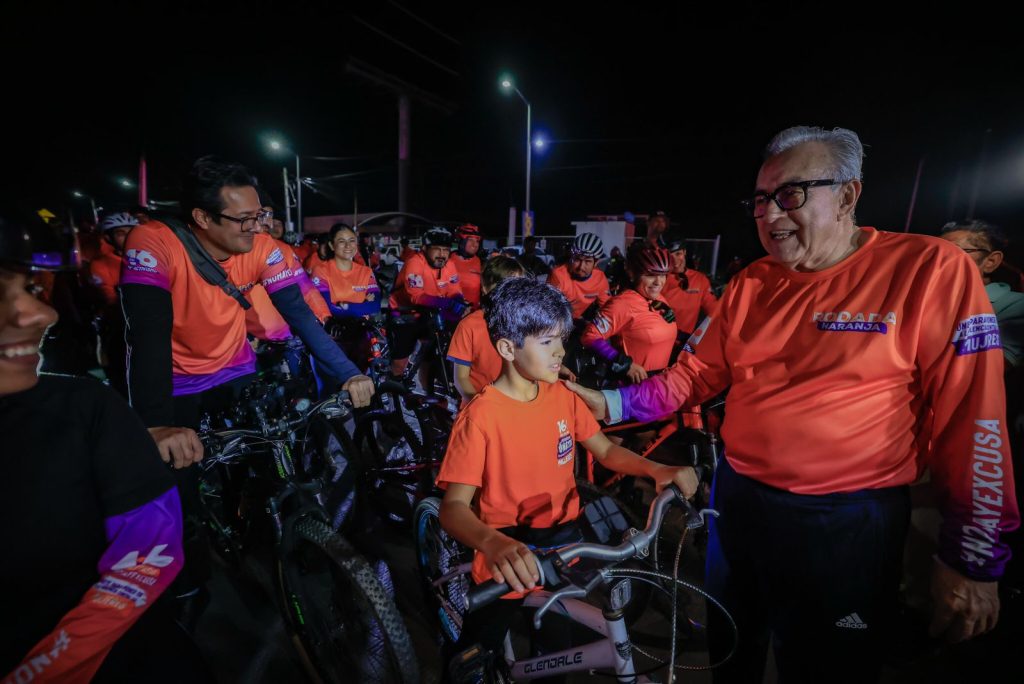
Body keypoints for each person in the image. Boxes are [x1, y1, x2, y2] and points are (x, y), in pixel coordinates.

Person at [568, 125, 1018, 683]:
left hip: (847, 524)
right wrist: (608, 402)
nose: (770, 215)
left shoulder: (929, 270)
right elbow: (691, 377)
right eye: (760, 200)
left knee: (827, 667)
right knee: (732, 651)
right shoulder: (752, 282)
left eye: (790, 194)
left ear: (849, 194)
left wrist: (973, 556)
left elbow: (973, 421)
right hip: (739, 504)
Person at [437, 277, 698, 666]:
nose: (561, 352)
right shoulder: (480, 417)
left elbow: (606, 449)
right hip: (508, 556)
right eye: (547, 342)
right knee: (474, 655)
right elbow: (454, 507)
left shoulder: (562, 395)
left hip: (563, 548)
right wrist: (493, 544)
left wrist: (655, 468)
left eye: (561, 339)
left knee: (557, 654)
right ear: (508, 348)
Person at [0, 210, 208, 683]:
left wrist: (46, 669)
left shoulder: (85, 407)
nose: (40, 313)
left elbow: (149, 549)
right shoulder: (121, 261)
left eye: (32, 289)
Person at [581, 246, 677, 384]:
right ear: (632, 274)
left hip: (659, 384)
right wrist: (623, 363)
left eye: (662, 275)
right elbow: (589, 337)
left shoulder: (659, 298)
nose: (658, 282)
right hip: (634, 388)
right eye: (650, 275)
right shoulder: (622, 304)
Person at [940, 220, 1024, 369]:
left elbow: (990, 368)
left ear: (990, 261)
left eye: (953, 252)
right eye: (936, 252)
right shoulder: (926, 299)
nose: (939, 260)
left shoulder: (1016, 305)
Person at [388, 226, 465, 379]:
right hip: (405, 314)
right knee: (400, 360)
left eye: (446, 250)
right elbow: (415, 296)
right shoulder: (414, 262)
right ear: (424, 248)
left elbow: (455, 291)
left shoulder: (449, 264)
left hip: (431, 311)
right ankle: (393, 393)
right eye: (437, 249)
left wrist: (460, 304)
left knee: (431, 356)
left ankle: (426, 392)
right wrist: (448, 303)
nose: (442, 255)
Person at [447, 256, 526, 406]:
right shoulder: (469, 325)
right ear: (485, 288)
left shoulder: (527, 322)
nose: (508, 292)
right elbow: (461, 379)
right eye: (501, 284)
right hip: (481, 409)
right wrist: (480, 404)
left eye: (515, 285)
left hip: (517, 405)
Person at [308, 222, 381, 317]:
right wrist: (363, 304)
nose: (348, 246)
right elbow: (327, 307)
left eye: (352, 240)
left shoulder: (366, 272)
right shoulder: (321, 271)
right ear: (331, 245)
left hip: (361, 329)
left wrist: (346, 306)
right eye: (342, 241)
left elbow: (375, 305)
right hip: (334, 329)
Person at [659, 230, 718, 334]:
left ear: (685, 252)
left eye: (678, 254)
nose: (675, 261)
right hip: (659, 338)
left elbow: (715, 312)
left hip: (684, 343)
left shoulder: (700, 280)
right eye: (669, 256)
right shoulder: (657, 278)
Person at [546, 232, 611, 320]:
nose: (581, 266)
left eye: (587, 261)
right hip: (558, 320)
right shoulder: (558, 275)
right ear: (571, 257)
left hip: (577, 320)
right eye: (577, 259)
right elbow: (548, 308)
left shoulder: (600, 278)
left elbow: (608, 309)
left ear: (596, 262)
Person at [87, 211, 137, 306]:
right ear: (108, 238)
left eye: (131, 232)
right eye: (121, 234)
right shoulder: (100, 264)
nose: (129, 237)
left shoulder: (149, 258)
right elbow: (109, 297)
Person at [450, 223, 483, 308]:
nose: (475, 244)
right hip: (450, 313)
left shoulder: (481, 262)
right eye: (470, 240)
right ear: (461, 241)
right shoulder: (447, 260)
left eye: (477, 241)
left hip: (473, 313)